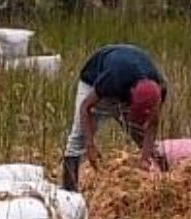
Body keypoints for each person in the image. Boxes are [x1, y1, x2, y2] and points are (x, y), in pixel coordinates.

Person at [61, 43, 168, 192]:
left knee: (147, 142)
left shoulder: (159, 89)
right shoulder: (113, 79)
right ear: (128, 104)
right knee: (77, 138)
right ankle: (68, 193)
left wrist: (144, 157)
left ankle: (167, 182)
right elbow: (85, 107)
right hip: (94, 81)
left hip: (128, 80)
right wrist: (90, 144)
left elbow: (153, 124)